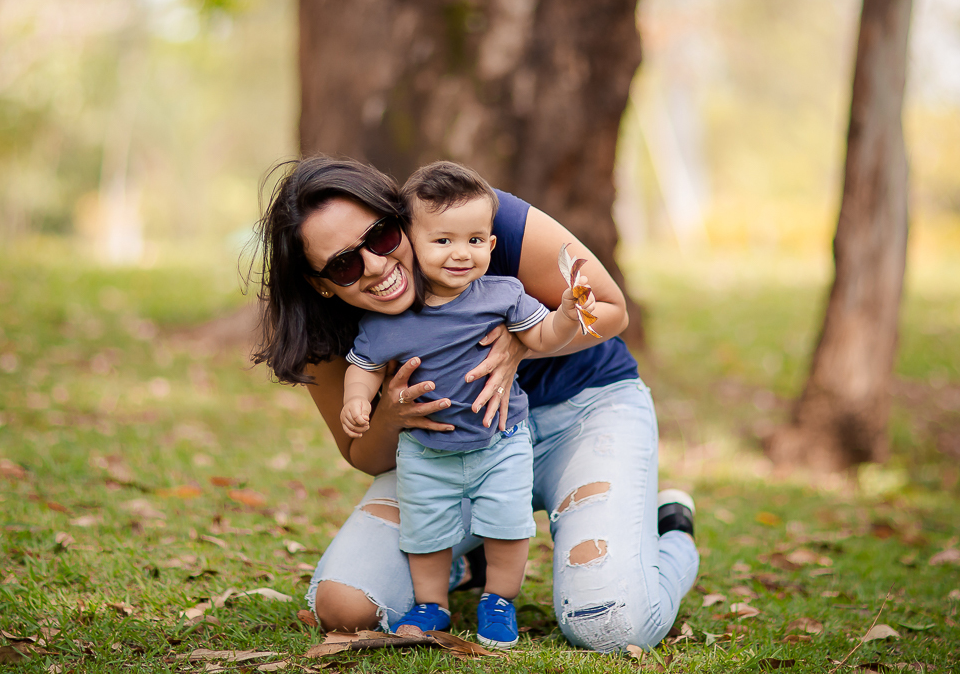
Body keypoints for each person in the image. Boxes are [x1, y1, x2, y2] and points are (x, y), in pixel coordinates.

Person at [252, 155, 699, 653]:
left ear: (399, 214)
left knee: (611, 624)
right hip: (446, 451)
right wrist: (389, 417)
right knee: (346, 606)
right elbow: (362, 455)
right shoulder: (322, 328)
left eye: (380, 236)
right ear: (320, 283)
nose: (376, 266)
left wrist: (522, 341)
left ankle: (671, 533)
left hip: (583, 412)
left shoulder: (477, 218)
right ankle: (467, 561)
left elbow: (611, 311)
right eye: (343, 264)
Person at [340, 162, 595, 648]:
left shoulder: (503, 295)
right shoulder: (389, 319)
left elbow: (540, 336)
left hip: (499, 442)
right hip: (425, 449)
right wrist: (357, 400)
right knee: (425, 530)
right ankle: (431, 604)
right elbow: (365, 365)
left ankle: (498, 600)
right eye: (443, 241)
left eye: (475, 241)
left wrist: (565, 314)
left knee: (507, 526)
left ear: (491, 246)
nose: (461, 254)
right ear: (411, 243)